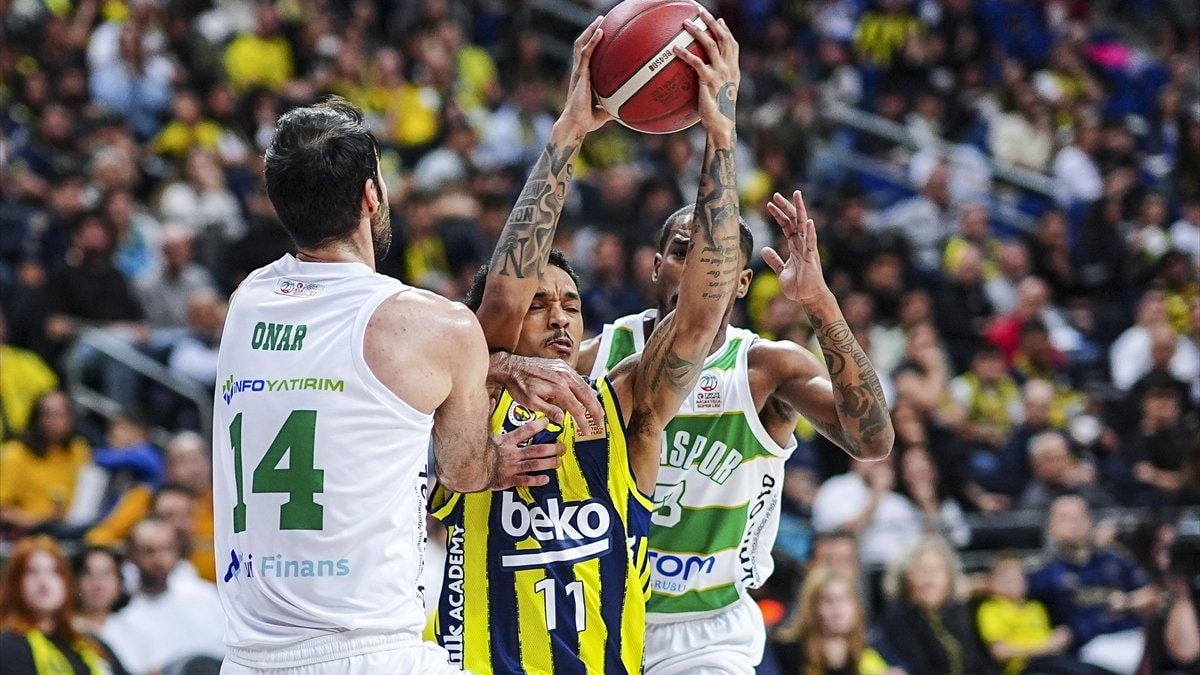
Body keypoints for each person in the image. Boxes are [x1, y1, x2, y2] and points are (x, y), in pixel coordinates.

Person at [430, 12, 746, 674]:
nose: (560, 318)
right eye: (539, 305)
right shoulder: (463, 405)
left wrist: (720, 137)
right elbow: (498, 305)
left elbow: (700, 314)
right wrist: (570, 132)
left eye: (571, 305)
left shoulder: (626, 405)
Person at [210, 96, 564, 674]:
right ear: (371, 196)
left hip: (248, 658)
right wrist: (495, 441)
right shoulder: (436, 326)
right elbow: (464, 472)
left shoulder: (246, 303)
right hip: (366, 652)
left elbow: (336, 376)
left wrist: (489, 367)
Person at [577, 161, 893, 675]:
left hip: (707, 631)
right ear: (656, 266)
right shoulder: (598, 357)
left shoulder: (764, 368)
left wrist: (819, 302)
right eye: (683, 253)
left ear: (743, 282)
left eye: (716, 259)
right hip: (596, 615)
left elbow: (872, 439)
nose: (698, 271)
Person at [1028, 496, 1158, 675]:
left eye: (1080, 516)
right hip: (1083, 653)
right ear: (1051, 527)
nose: (1074, 523)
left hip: (1132, 637)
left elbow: (1152, 593)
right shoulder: (1042, 572)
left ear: (1090, 520)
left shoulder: (1114, 560)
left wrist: (1127, 602)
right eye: (1065, 518)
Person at [100, 518, 224, 674]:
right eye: (148, 551)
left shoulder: (205, 596)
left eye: (166, 549)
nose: (158, 559)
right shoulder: (123, 618)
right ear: (131, 555)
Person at [0, 534, 125, 674]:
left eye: (54, 572)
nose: (44, 581)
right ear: (15, 583)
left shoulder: (87, 642)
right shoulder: (7, 645)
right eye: (32, 572)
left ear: (66, 582)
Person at [878, 536, 998, 675]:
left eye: (937, 570)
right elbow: (918, 668)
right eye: (923, 570)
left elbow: (981, 663)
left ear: (950, 577)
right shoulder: (897, 617)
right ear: (906, 577)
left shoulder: (959, 613)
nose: (930, 580)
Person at [976, 552, 1097, 675]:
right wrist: (1046, 646)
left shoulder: (1035, 607)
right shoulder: (991, 609)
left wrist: (1059, 640)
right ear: (992, 582)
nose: (1016, 580)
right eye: (1008, 577)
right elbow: (1001, 652)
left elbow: (1051, 643)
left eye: (1019, 575)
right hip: (1025, 667)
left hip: (1053, 661)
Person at [770, 568, 901, 675]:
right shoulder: (786, 650)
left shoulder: (871, 650)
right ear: (811, 607)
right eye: (828, 600)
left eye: (845, 599)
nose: (838, 608)